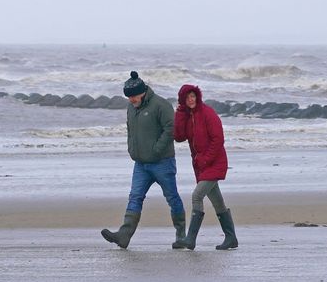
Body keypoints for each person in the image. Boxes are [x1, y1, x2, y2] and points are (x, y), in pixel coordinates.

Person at [101, 71, 185, 249]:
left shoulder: (161, 105)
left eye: (133, 96)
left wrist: (156, 150)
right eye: (129, 97)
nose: (131, 100)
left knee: (172, 197)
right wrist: (131, 149)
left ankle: (181, 235)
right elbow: (130, 130)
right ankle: (124, 236)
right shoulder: (131, 107)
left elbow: (171, 129)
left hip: (163, 162)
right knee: (135, 197)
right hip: (140, 164)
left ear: (143, 92)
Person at [172, 83, 238, 250]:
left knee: (197, 196)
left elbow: (218, 140)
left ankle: (190, 239)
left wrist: (205, 160)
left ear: (197, 97)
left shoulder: (208, 113)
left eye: (193, 96)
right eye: (187, 98)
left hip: (215, 162)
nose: (191, 100)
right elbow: (178, 136)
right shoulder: (187, 116)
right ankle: (231, 238)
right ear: (183, 100)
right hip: (201, 166)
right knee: (218, 202)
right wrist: (180, 113)